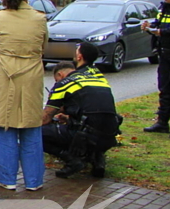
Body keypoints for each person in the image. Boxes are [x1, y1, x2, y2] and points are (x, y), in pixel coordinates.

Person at [0, 0, 48, 191]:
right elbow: (43, 45)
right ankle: (34, 180)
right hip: (31, 74)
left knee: (3, 124)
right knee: (31, 126)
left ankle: (6, 179)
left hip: (6, 73)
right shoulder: (40, 18)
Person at [41, 45, 121, 179]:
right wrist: (69, 118)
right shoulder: (98, 78)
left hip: (85, 136)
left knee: (36, 132)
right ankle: (97, 159)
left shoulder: (64, 83)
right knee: (93, 129)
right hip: (110, 136)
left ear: (79, 57)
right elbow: (94, 109)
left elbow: (45, 118)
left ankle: (72, 160)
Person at [141, 0, 170, 137]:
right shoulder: (164, 8)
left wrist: (160, 32)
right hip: (165, 54)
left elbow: (168, 30)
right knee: (165, 88)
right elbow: (158, 24)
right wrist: (149, 27)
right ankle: (162, 123)